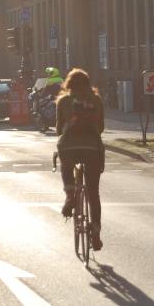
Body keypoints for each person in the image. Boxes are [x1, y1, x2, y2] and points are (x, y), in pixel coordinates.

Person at [56, 68, 105, 250]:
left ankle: (70, 194)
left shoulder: (63, 101)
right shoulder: (96, 100)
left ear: (68, 84)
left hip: (69, 147)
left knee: (66, 165)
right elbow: (100, 127)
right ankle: (96, 233)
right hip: (92, 149)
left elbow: (59, 129)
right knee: (93, 193)